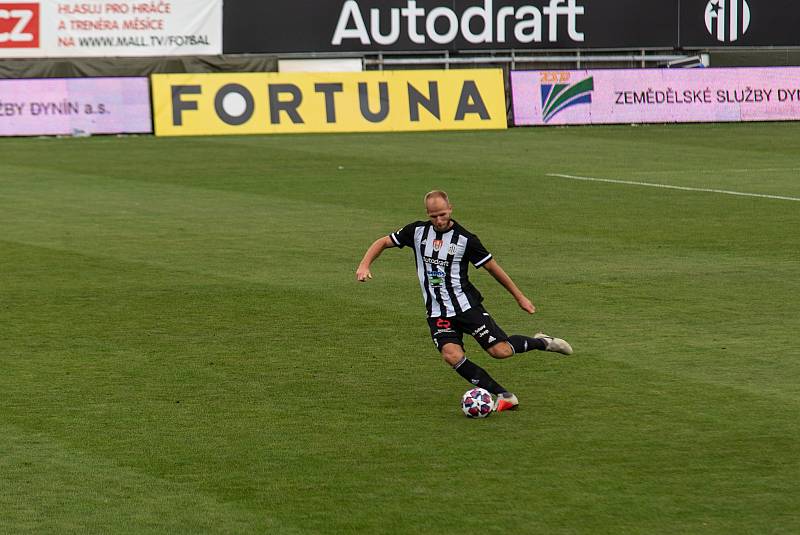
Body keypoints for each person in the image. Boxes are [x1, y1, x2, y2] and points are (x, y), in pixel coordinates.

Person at [356, 190, 573, 412]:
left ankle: (542, 342)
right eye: (433, 216)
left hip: (467, 307)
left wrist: (520, 297)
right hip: (438, 312)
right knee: (451, 355)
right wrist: (364, 265)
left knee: (500, 351)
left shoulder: (466, 240)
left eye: (442, 214)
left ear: (450, 209)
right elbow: (383, 242)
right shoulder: (417, 231)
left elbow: (493, 268)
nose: (439, 220)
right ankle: (504, 395)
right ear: (427, 214)